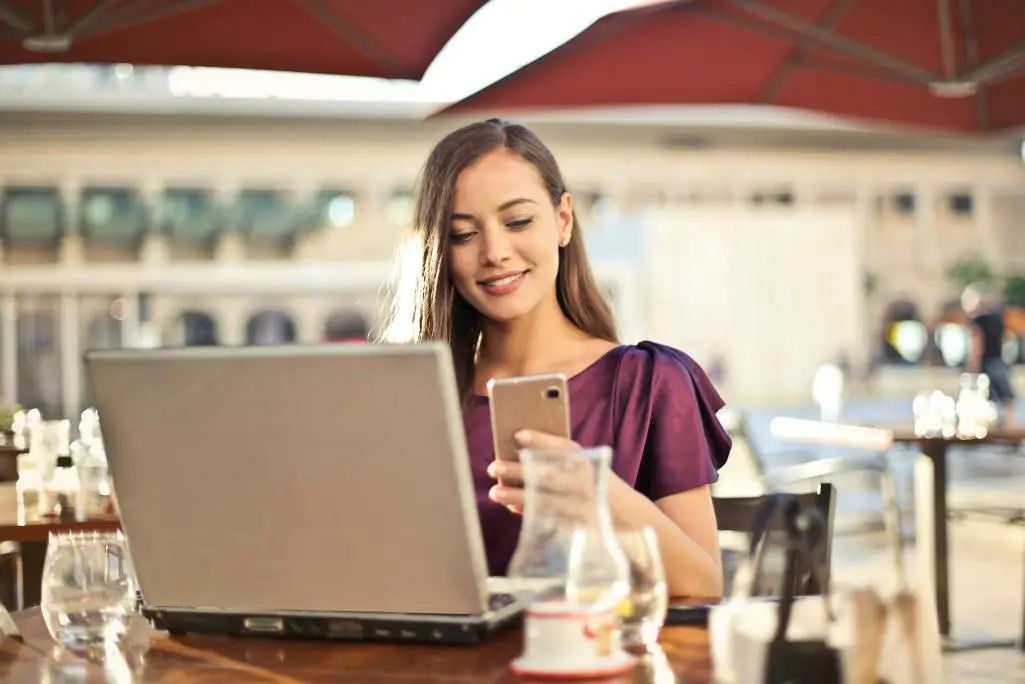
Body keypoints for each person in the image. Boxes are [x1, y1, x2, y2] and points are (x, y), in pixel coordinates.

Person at [380, 119, 731, 598]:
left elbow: (704, 583)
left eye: (518, 221)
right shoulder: (412, 396)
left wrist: (598, 497)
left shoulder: (648, 382)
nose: (495, 252)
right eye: (463, 234)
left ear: (563, 220)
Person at [963, 284, 1016, 422]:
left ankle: (985, 423)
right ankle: (1008, 423)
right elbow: (1007, 338)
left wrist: (973, 364)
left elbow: (977, 342)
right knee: (1005, 396)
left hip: (986, 362)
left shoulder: (977, 322)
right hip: (998, 360)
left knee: (982, 394)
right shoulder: (997, 318)